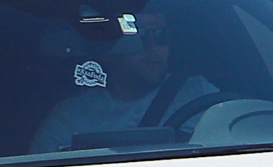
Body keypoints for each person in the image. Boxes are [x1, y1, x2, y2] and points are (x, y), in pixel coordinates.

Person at [28, 10, 216, 154]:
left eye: (161, 34)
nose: (152, 46)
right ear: (109, 51)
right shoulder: (71, 119)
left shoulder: (200, 94)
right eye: (137, 36)